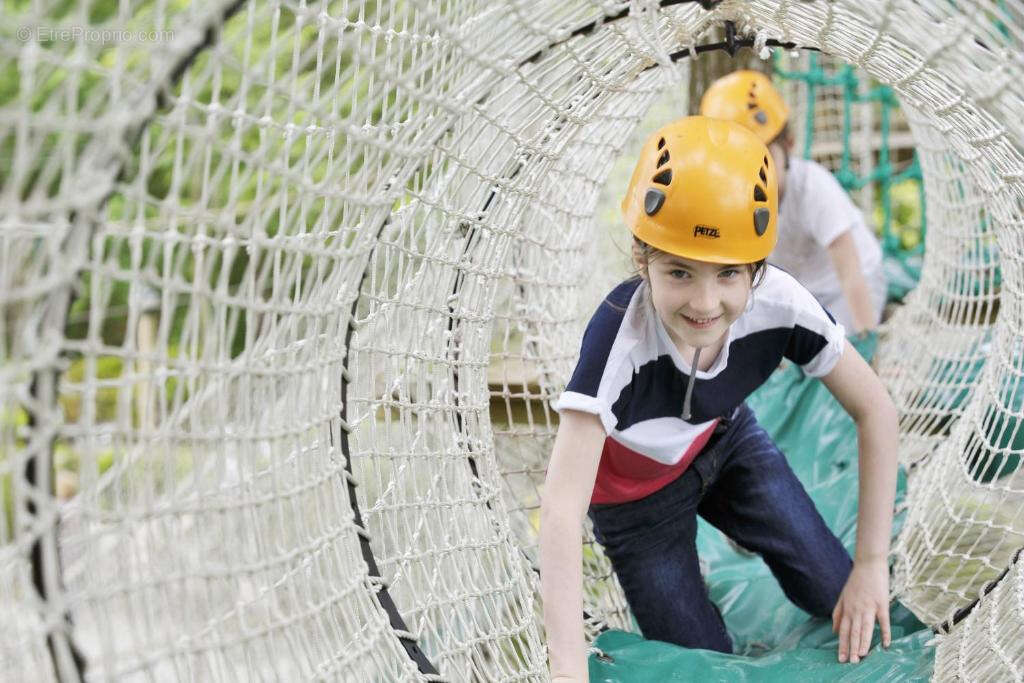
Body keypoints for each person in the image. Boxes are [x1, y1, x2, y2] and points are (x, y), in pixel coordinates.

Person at [540, 116, 898, 681]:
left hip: (726, 444)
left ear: (757, 267)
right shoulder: (619, 339)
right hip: (638, 505)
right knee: (705, 664)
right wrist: (565, 663)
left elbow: (874, 408)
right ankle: (714, 549)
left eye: (729, 273)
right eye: (679, 272)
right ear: (642, 260)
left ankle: (740, 520)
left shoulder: (781, 302)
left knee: (838, 590)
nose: (705, 302)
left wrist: (873, 564)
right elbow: (561, 507)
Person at [700, 70, 886, 335]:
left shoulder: (813, 186)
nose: (754, 177)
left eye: (762, 160)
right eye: (737, 163)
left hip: (849, 285)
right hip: (801, 294)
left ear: (789, 145)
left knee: (840, 348)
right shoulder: (727, 201)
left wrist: (867, 337)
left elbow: (850, 271)